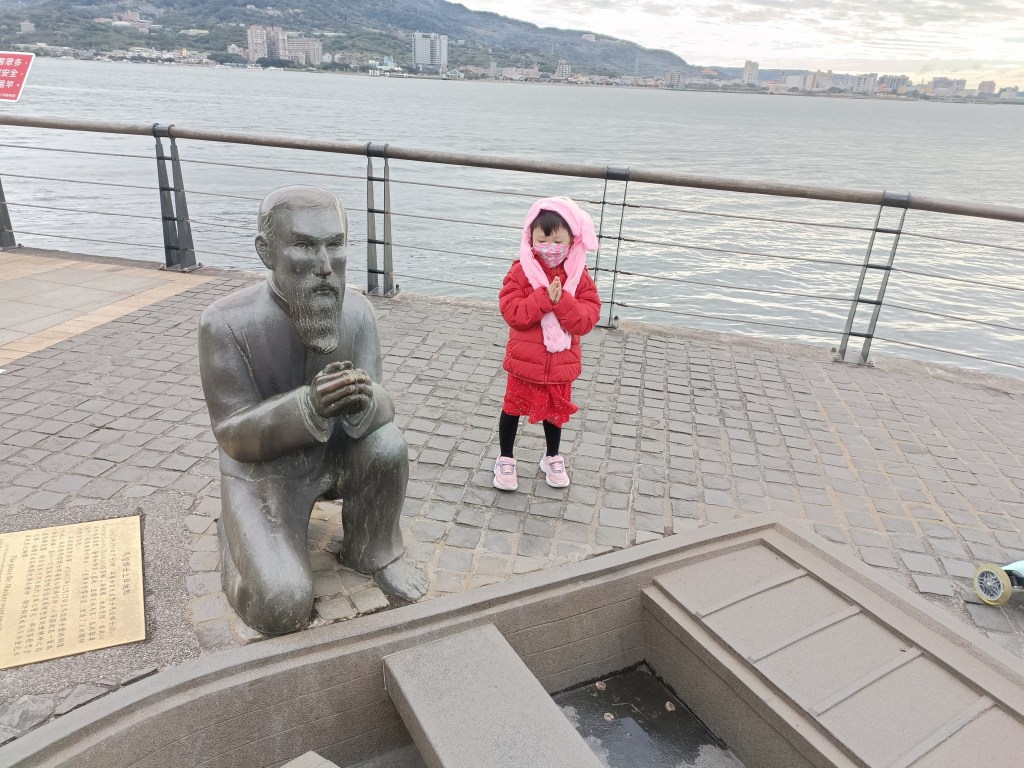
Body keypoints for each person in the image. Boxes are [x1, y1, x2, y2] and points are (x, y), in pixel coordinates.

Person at [198, 185, 427, 635]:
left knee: (387, 445)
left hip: (335, 453)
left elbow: (384, 406)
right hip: (264, 470)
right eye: (305, 246)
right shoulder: (224, 323)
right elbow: (231, 433)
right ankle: (234, 533)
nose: (325, 266)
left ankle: (374, 549)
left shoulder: (357, 313)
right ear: (267, 252)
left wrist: (366, 399)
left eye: (335, 244)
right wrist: (307, 405)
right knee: (280, 604)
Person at [494, 196, 602, 491]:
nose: (550, 247)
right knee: (512, 409)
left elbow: (586, 319)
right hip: (525, 362)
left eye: (558, 240)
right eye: (542, 240)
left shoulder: (579, 276)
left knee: (555, 413)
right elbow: (512, 313)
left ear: (572, 240)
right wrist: (543, 298)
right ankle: (505, 458)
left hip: (560, 363)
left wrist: (562, 300)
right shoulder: (520, 272)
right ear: (530, 238)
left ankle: (552, 456)